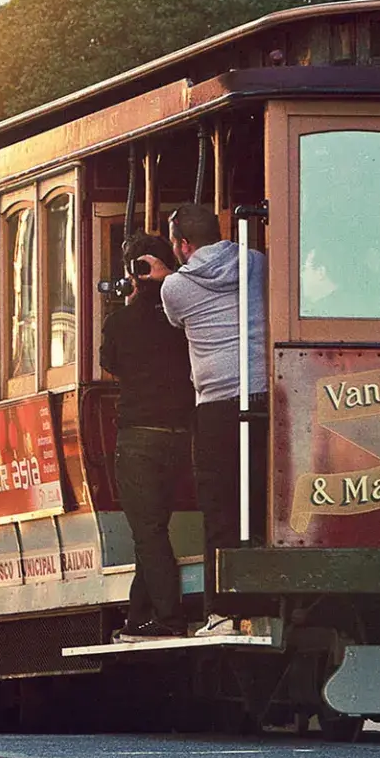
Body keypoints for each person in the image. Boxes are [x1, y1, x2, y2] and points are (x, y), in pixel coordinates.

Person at [148, 203, 268, 638]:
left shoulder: (175, 288)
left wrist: (162, 277)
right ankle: (271, 600)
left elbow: (177, 319)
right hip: (267, 394)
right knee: (265, 501)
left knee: (220, 508)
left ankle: (225, 612)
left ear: (181, 244)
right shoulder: (256, 263)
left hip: (217, 404)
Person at [99, 234, 195, 641]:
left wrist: (134, 300)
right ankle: (138, 617)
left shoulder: (122, 320)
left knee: (149, 531)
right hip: (181, 438)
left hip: (139, 439)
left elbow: (110, 363)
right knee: (151, 528)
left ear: (134, 270)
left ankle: (169, 619)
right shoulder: (185, 312)